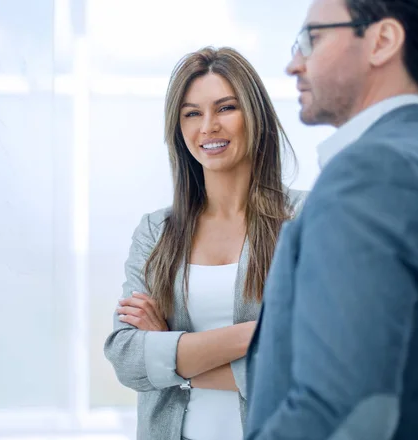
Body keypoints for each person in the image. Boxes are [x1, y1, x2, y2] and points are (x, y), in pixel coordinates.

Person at [245, 0, 418, 439]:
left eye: (313, 38)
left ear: (381, 41)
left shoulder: (374, 171)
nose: (293, 64)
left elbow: (346, 412)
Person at [103, 46, 306, 440]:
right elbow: (128, 359)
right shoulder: (156, 231)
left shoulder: (306, 219)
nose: (208, 126)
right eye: (192, 113)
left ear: (255, 115)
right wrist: (263, 332)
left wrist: (171, 359)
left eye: (225, 108)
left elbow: (312, 363)